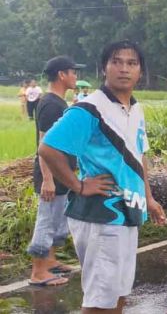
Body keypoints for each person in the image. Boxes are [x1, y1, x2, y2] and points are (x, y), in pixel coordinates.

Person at [38, 40, 167, 312]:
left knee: (118, 295)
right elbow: (48, 148)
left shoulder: (135, 108)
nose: (124, 69)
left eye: (131, 63)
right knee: (99, 301)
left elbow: (139, 155)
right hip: (101, 215)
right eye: (116, 62)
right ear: (104, 68)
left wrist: (149, 197)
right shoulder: (90, 109)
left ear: (140, 71)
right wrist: (78, 185)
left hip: (127, 212)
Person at [26, 56, 84, 287]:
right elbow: (44, 145)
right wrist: (48, 179)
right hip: (50, 174)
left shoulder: (58, 102)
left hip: (60, 173)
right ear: (62, 75)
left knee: (57, 218)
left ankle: (50, 261)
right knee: (47, 220)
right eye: (73, 72)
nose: (75, 77)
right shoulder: (51, 104)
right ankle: (38, 272)